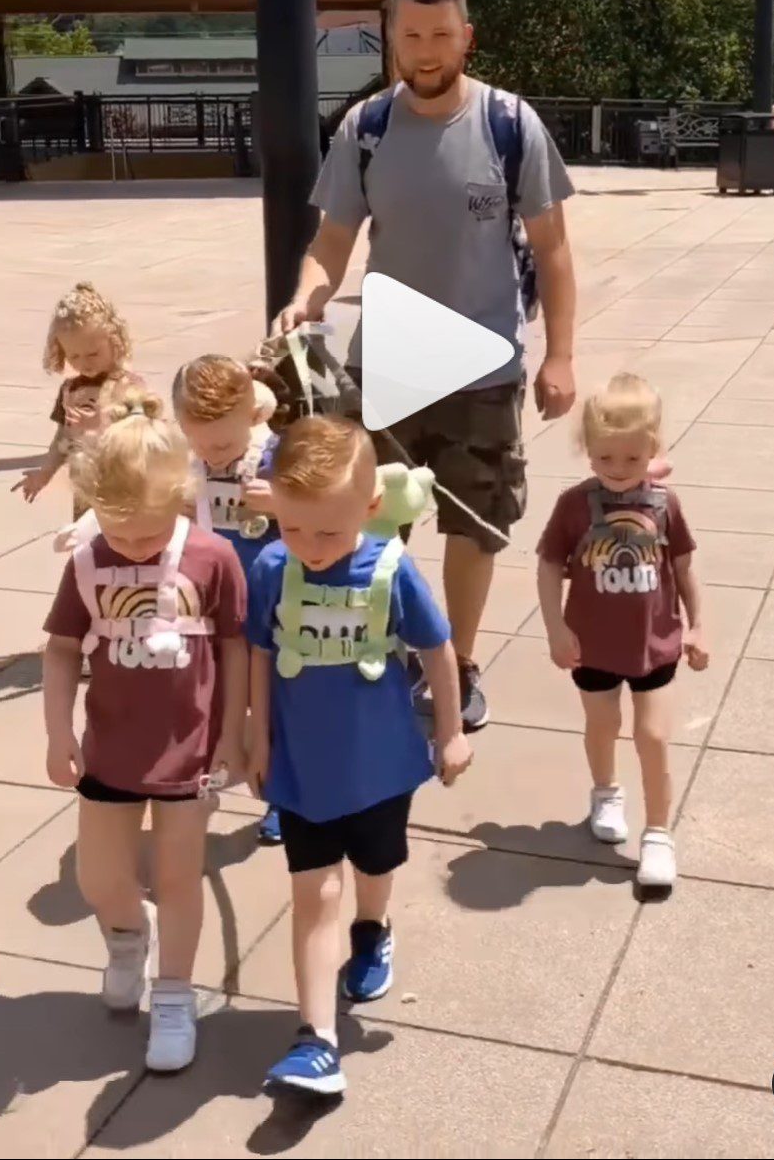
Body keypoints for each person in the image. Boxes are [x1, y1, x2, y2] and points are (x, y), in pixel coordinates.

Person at [272, 0, 577, 732]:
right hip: (389, 369)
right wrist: (305, 295)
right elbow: (331, 243)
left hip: (484, 368)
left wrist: (559, 355)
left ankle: (460, 664)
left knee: (474, 527)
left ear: (466, 37)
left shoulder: (510, 123)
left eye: (441, 35)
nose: (427, 49)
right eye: (411, 35)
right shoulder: (364, 129)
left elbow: (555, 248)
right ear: (392, 41)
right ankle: (376, 650)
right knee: (374, 523)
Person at [245, 414, 471, 1097]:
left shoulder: (391, 571)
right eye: (293, 526)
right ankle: (315, 1041)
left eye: (329, 531)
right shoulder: (270, 569)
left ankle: (373, 928)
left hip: (379, 764)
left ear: (371, 509)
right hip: (304, 767)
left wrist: (452, 728)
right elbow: (257, 650)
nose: (310, 546)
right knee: (315, 893)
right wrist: (254, 732)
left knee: (374, 867)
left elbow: (437, 649)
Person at [41, 389, 248, 1073]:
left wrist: (235, 733)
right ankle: (129, 936)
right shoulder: (90, 561)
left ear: (183, 502)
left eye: (144, 534)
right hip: (109, 748)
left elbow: (236, 647)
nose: (128, 546)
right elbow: (64, 647)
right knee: (101, 877)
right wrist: (57, 730)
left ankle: (174, 993)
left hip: (188, 750)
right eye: (115, 529)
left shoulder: (213, 557)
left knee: (179, 875)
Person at [536, 374, 708, 891]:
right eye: (605, 458)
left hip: (655, 644)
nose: (617, 470)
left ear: (651, 449)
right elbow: (547, 566)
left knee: (652, 735)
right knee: (603, 724)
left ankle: (658, 834)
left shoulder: (664, 504)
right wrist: (555, 628)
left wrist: (699, 625)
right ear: (588, 451)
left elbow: (683, 567)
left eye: (632, 460)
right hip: (591, 645)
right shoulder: (573, 505)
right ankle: (606, 792)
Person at [173, 353, 283, 847]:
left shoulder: (274, 454)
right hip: (211, 606)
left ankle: (281, 792)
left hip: (268, 604)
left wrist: (285, 502)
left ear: (251, 416)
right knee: (211, 699)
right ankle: (210, 769)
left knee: (274, 704)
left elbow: (332, 507)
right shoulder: (187, 463)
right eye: (202, 441)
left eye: (224, 441)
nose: (214, 453)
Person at [14, 281, 142, 516]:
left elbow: (146, 434)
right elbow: (62, 438)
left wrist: (102, 423)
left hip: (125, 491)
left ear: (114, 339)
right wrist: (45, 473)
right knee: (86, 545)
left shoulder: (128, 386)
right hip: (85, 492)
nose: (85, 363)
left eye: (93, 353)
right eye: (74, 356)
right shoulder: (70, 390)